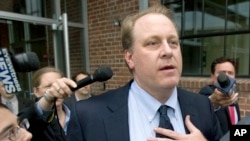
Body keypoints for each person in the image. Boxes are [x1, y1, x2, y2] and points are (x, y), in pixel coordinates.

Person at [66, 5, 223, 141]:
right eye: (153, 43)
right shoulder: (89, 115)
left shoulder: (203, 107)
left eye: (173, 42)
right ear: (130, 58)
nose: (168, 51)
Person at [18, 66, 77, 141]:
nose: (55, 89)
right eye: (48, 86)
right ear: (36, 91)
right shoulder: (29, 117)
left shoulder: (77, 112)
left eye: (58, 85)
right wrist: (48, 99)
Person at [199, 56, 240, 134]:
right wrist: (212, 103)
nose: (226, 76)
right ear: (212, 77)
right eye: (222, 73)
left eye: (230, 73)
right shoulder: (207, 91)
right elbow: (201, 109)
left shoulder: (233, 97)